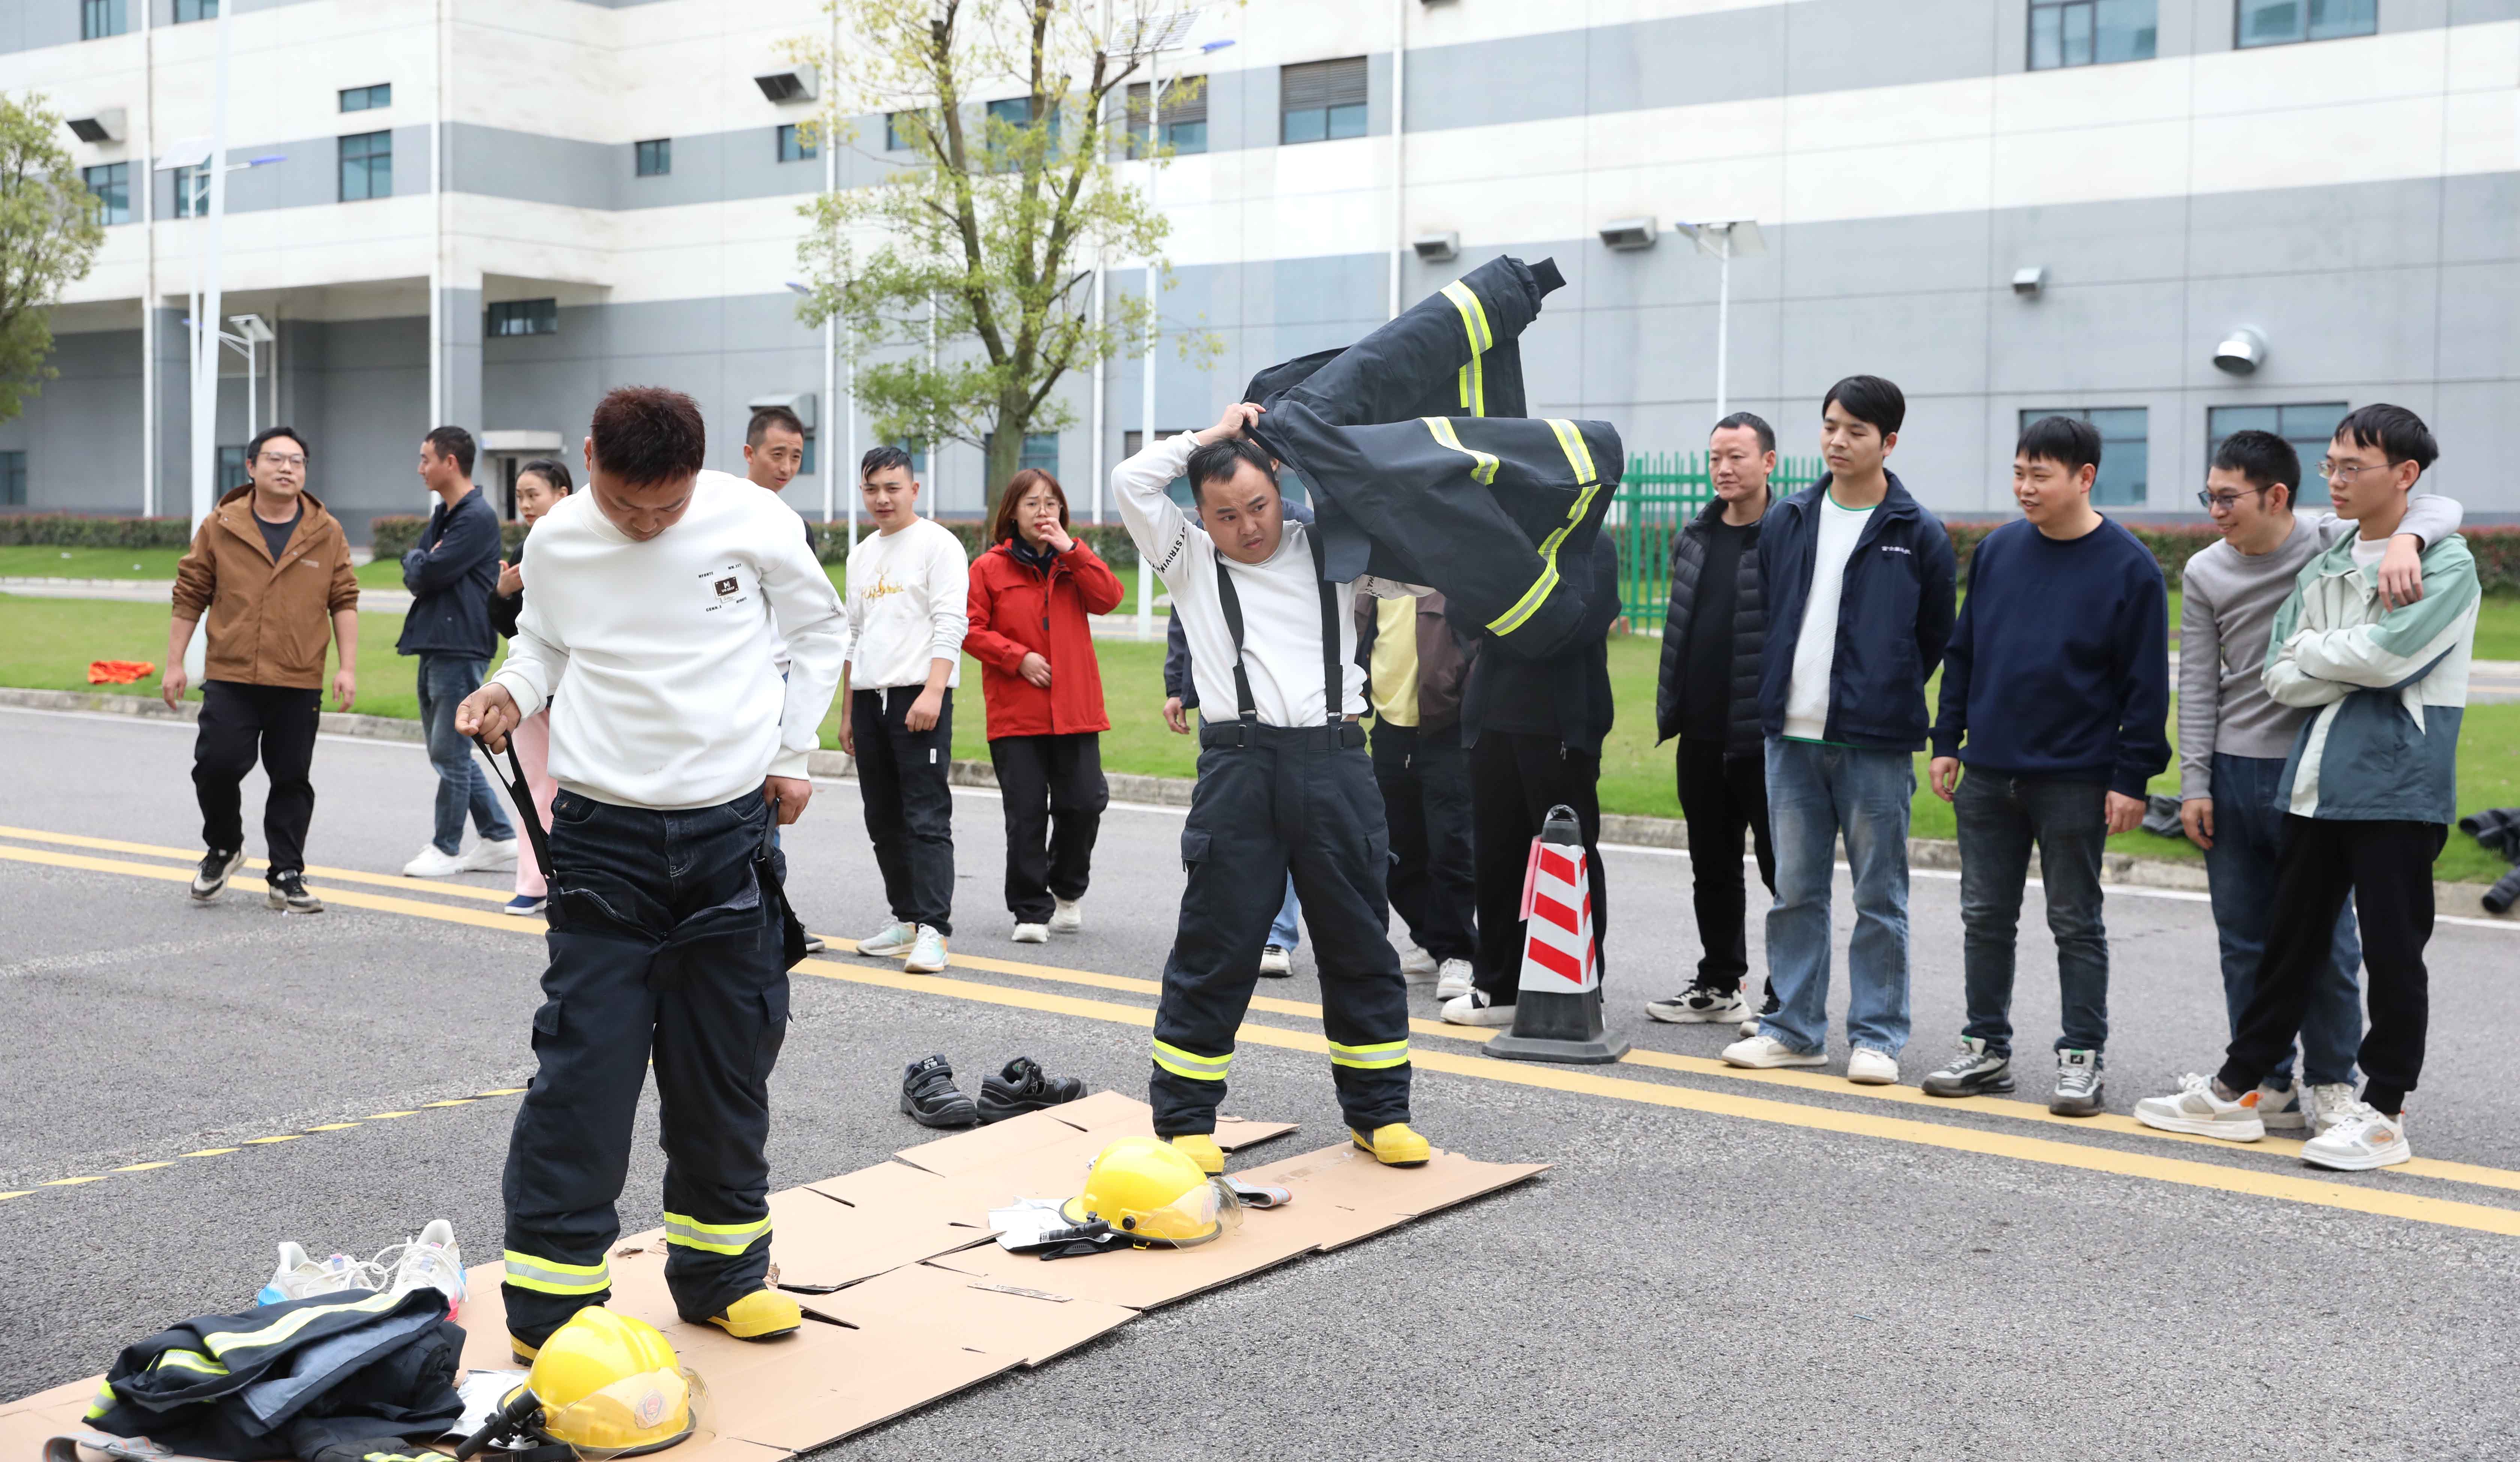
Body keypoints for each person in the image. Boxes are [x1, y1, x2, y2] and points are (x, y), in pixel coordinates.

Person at [454, 385, 848, 1351]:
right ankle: (553, 1302)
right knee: (584, 1073)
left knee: (724, 1065)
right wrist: (509, 687)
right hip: (602, 840)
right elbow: (544, 643)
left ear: (699, 472)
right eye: (627, 503)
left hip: (729, 834)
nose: (644, 523)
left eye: (665, 508)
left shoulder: (754, 517)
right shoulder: (557, 540)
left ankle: (723, 1273)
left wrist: (794, 755)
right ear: (589, 456)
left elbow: (821, 631)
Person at [2135, 405, 2480, 1172]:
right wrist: (2328, 655)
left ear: (2405, 476)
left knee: (2392, 955)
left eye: (2351, 468)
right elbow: (2278, 675)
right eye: (2331, 466)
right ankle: (2240, 1083)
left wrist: (2320, 649)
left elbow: (2394, 660)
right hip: (2317, 780)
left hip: (2397, 782)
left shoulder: (2445, 562)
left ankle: (2383, 1108)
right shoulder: (2328, 563)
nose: (2336, 481)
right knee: (2286, 946)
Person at [1114, 401, 1426, 1172]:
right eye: (1226, 514)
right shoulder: (1187, 556)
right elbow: (1131, 479)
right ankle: (1186, 1119)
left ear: (1280, 487)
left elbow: (1398, 515)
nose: (1247, 525)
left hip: (1336, 761)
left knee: (1360, 943)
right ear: (1201, 517)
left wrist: (1288, 443)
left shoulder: (1331, 544)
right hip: (1240, 769)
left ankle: (1380, 1113)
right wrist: (1214, 435)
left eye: (1258, 505)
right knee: (1216, 944)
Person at [1921, 416, 2170, 1116]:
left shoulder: (2130, 568)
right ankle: (1986, 1047)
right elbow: (1963, 651)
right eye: (2019, 472)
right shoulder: (1999, 551)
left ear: (2085, 478)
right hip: (1990, 771)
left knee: (2075, 921)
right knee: (1985, 915)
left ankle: (2082, 1056)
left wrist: (2131, 778)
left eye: (2041, 475)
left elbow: (2146, 688)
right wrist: (1948, 740)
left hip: (2076, 777)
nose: (2025, 487)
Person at [1723, 375, 1956, 1086]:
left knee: (1880, 896)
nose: (1837, 441)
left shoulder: (1917, 532)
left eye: (1856, 431)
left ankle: (1878, 1035)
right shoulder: (1789, 518)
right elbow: (1774, 615)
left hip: (1874, 742)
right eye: (1830, 426)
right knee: (1795, 890)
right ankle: (1793, 1028)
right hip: (1789, 737)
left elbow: (1933, 635)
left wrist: (1880, 691)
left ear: (1888, 442)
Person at [164, 425, 358, 915]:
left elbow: (344, 599)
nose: (287, 468)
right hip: (232, 675)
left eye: (296, 460)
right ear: (251, 468)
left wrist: (347, 667)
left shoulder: (326, 531)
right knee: (216, 766)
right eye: (275, 459)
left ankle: (287, 873)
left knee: (291, 776)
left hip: (298, 676)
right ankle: (225, 847)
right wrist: (174, 663)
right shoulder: (220, 525)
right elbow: (190, 594)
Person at [1440, 533, 1621, 1028]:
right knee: (1496, 858)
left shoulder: (1591, 546)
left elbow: (1575, 625)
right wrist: (1522, 607)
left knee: (1569, 855)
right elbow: (1463, 611)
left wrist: (1509, 610)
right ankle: (1499, 985)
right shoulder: (1496, 540)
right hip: (1492, 719)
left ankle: (1582, 983)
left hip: (1562, 725)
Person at [1647, 411, 1780, 1034]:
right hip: (1699, 733)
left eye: (1737, 457)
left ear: (1769, 462)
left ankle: (1787, 997)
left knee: (1786, 872)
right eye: (1715, 458)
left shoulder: (1786, 535)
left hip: (1765, 736)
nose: (1724, 469)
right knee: (1713, 866)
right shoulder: (1696, 536)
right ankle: (1721, 983)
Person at [965, 468, 1123, 942]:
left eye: (1051, 503)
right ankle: (1031, 911)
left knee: (1084, 803)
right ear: (1012, 511)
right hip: (1018, 713)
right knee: (1027, 813)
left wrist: (1072, 552)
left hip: (1075, 710)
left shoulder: (1072, 563)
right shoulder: (988, 568)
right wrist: (1018, 658)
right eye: (1032, 503)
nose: (1043, 512)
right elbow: (970, 630)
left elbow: (1109, 598)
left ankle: (1067, 892)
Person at [1165, 500, 1318, 980]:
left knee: (1295, 836)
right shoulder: (1203, 530)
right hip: (1230, 720)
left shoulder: (1305, 531)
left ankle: (1278, 935)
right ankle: (1240, 935)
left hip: (1298, 724)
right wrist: (1177, 686)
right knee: (1233, 844)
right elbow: (1183, 619)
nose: (1247, 526)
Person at [842, 445, 968, 975]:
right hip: (871, 699)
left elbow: (950, 623)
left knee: (925, 816)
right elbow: (853, 636)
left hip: (920, 693)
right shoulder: (861, 553)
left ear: (914, 489)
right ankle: (909, 919)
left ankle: (934, 930)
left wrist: (935, 692)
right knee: (883, 818)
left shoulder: (938, 544)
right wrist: (847, 712)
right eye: (872, 488)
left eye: (892, 487)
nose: (882, 498)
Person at [399, 425, 518, 878]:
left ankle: (446, 848)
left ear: (451, 462)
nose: (421, 467)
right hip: (437, 642)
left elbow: (429, 571)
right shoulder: (446, 513)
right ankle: (499, 836)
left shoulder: (476, 516)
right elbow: (419, 565)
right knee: (445, 751)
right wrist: (422, 561)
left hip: (460, 644)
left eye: (426, 458)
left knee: (450, 753)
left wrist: (422, 561)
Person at [1359, 585, 1478, 1000]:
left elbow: (1479, 646)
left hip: (1447, 731)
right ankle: (1434, 939)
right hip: (1391, 730)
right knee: (1392, 849)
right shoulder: (1377, 579)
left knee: (1451, 849)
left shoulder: (1449, 574)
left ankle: (1459, 953)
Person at [487, 457, 574, 916]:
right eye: (519, 496)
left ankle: (573, 881)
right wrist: (502, 594)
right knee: (533, 785)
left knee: (577, 790)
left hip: (579, 690)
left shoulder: (586, 543)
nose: (525, 504)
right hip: (532, 692)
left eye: (532, 494)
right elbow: (517, 632)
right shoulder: (527, 550)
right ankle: (534, 881)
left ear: (563, 494)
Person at [741, 405, 808, 500]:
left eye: (796, 457)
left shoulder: (784, 513)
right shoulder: (727, 505)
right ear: (749, 454)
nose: (786, 469)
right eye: (778, 455)